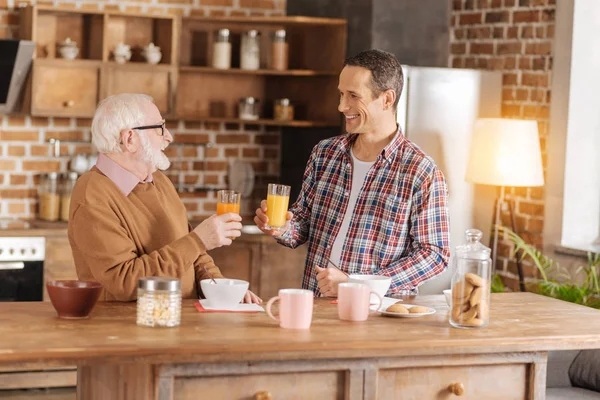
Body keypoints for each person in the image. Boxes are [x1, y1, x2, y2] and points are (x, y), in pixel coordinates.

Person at [254, 49, 450, 297]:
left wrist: (358, 284)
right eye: (341, 94)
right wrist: (279, 226)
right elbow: (302, 223)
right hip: (318, 305)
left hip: (379, 315)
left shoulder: (420, 170)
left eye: (353, 96)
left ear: (387, 99)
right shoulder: (325, 153)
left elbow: (434, 255)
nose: (341, 106)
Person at [68, 93, 261, 303]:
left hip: (176, 322)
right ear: (130, 139)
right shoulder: (92, 194)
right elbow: (125, 282)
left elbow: (193, 255)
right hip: (126, 329)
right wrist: (198, 240)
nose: (168, 136)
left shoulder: (159, 181)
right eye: (159, 128)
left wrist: (222, 289)